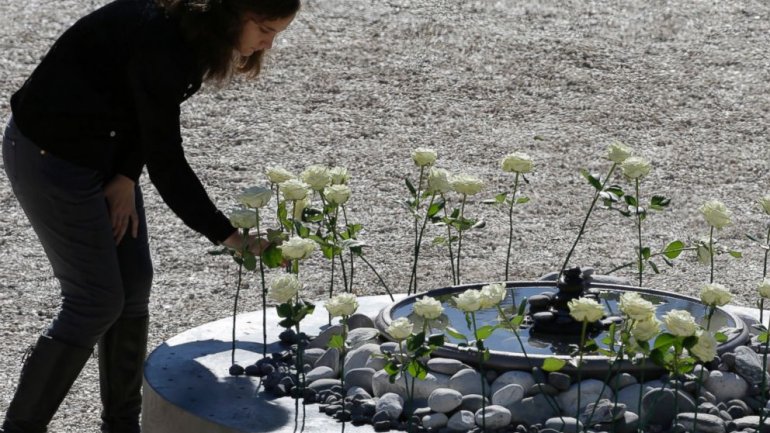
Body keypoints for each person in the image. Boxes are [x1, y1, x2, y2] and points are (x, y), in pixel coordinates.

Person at [0, 0, 299, 431]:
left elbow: (142, 107)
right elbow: (168, 162)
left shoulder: (194, 32)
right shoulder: (166, 39)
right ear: (233, 13)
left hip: (104, 154)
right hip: (51, 157)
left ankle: (121, 425)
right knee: (95, 301)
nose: (268, 44)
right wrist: (232, 237)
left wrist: (124, 173)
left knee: (133, 284)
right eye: (266, 29)